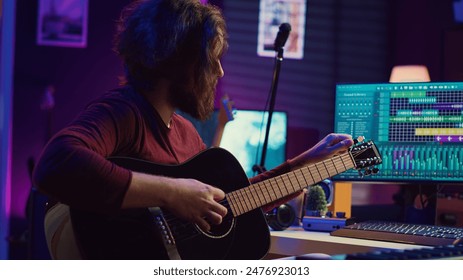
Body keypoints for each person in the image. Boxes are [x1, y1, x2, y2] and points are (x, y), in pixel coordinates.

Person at [33, 0, 353, 259]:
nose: (219, 70)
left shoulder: (185, 131)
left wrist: (312, 159)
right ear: (178, 59)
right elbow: (57, 164)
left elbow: (229, 201)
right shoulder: (122, 112)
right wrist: (173, 193)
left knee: (317, 263)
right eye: (210, 59)